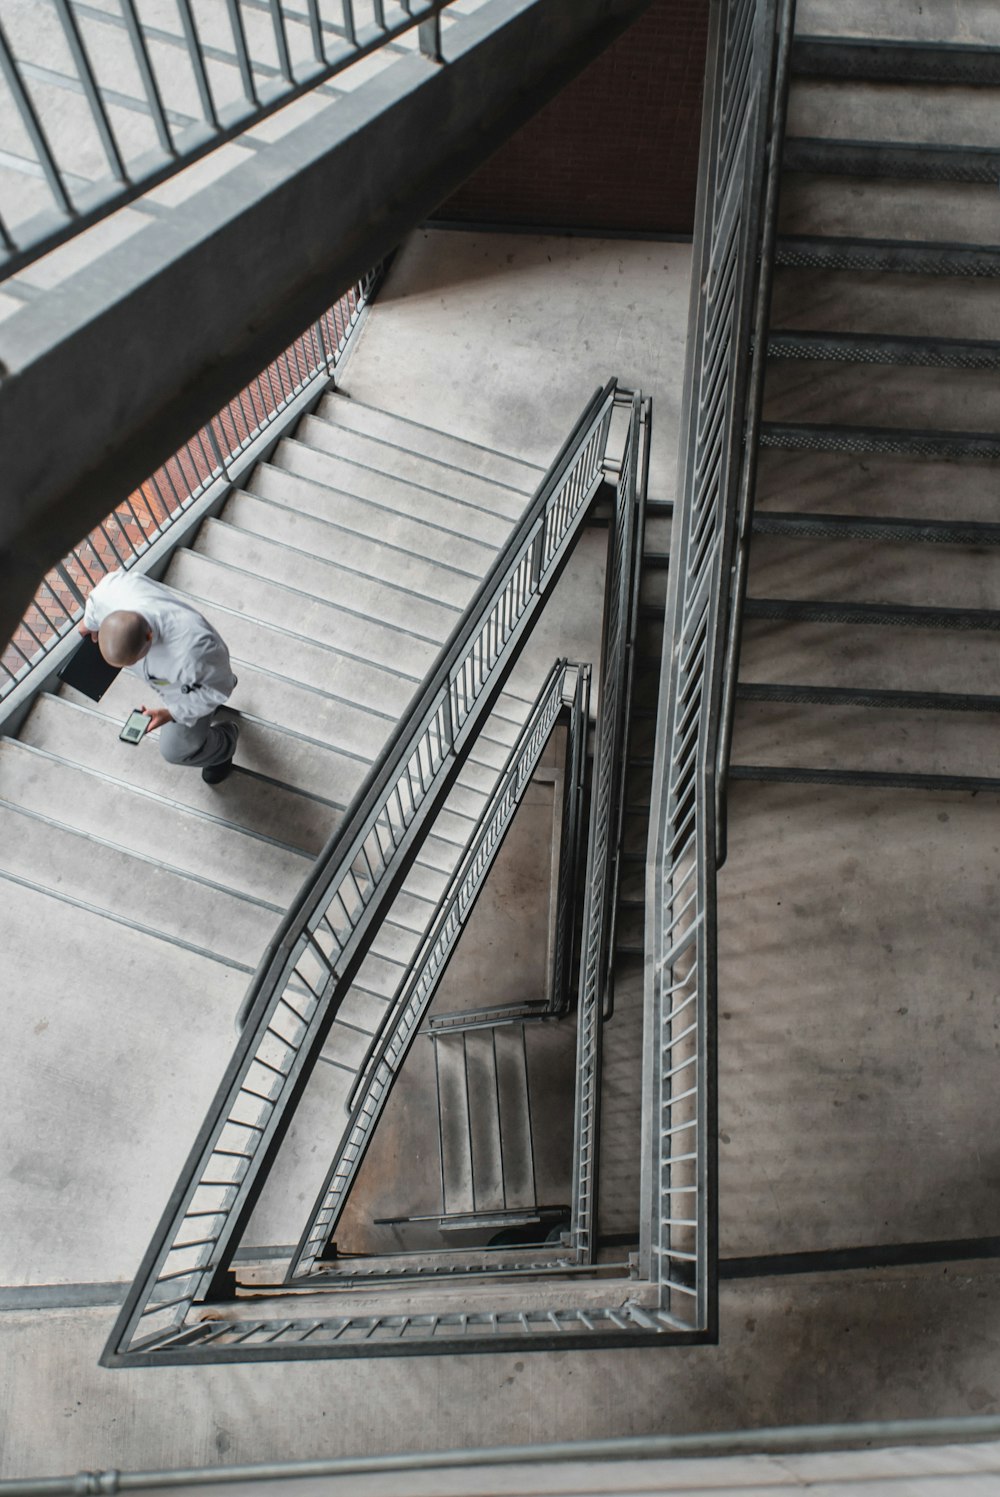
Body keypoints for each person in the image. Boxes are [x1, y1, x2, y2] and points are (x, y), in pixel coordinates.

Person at [79, 570, 239, 785]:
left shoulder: (194, 653)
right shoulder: (110, 592)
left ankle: (225, 744)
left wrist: (170, 713)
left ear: (149, 636)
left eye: (133, 660)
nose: (129, 667)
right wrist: (89, 622)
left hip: (198, 685)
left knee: (175, 751)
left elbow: (216, 690)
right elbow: (95, 600)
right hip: (195, 675)